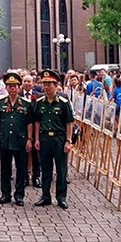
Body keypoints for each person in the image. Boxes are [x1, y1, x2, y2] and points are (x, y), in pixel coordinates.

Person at [33, 70, 74, 209]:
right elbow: (37, 122)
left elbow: (69, 122)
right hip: (44, 138)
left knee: (61, 169)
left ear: (56, 85)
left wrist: (68, 140)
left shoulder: (63, 102)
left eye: (48, 84)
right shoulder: (40, 102)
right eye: (43, 84)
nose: (45, 87)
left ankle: (61, 197)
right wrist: (37, 139)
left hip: (59, 138)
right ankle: (45, 196)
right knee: (46, 168)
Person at [0, 73, 33, 207]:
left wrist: (29, 139)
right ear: (6, 87)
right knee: (5, 169)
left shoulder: (26, 104)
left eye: (15, 86)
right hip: (5, 140)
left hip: (20, 140)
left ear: (19, 87)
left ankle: (19, 195)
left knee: (21, 169)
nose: (12, 89)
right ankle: (5, 194)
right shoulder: (0, 103)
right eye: (10, 86)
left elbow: (29, 123)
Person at [20, 75, 41, 187]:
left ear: (33, 83)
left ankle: (36, 177)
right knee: (22, 155)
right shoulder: (17, 96)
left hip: (35, 129)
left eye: (29, 81)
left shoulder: (39, 96)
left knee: (35, 155)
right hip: (21, 130)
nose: (27, 83)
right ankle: (24, 178)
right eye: (25, 81)